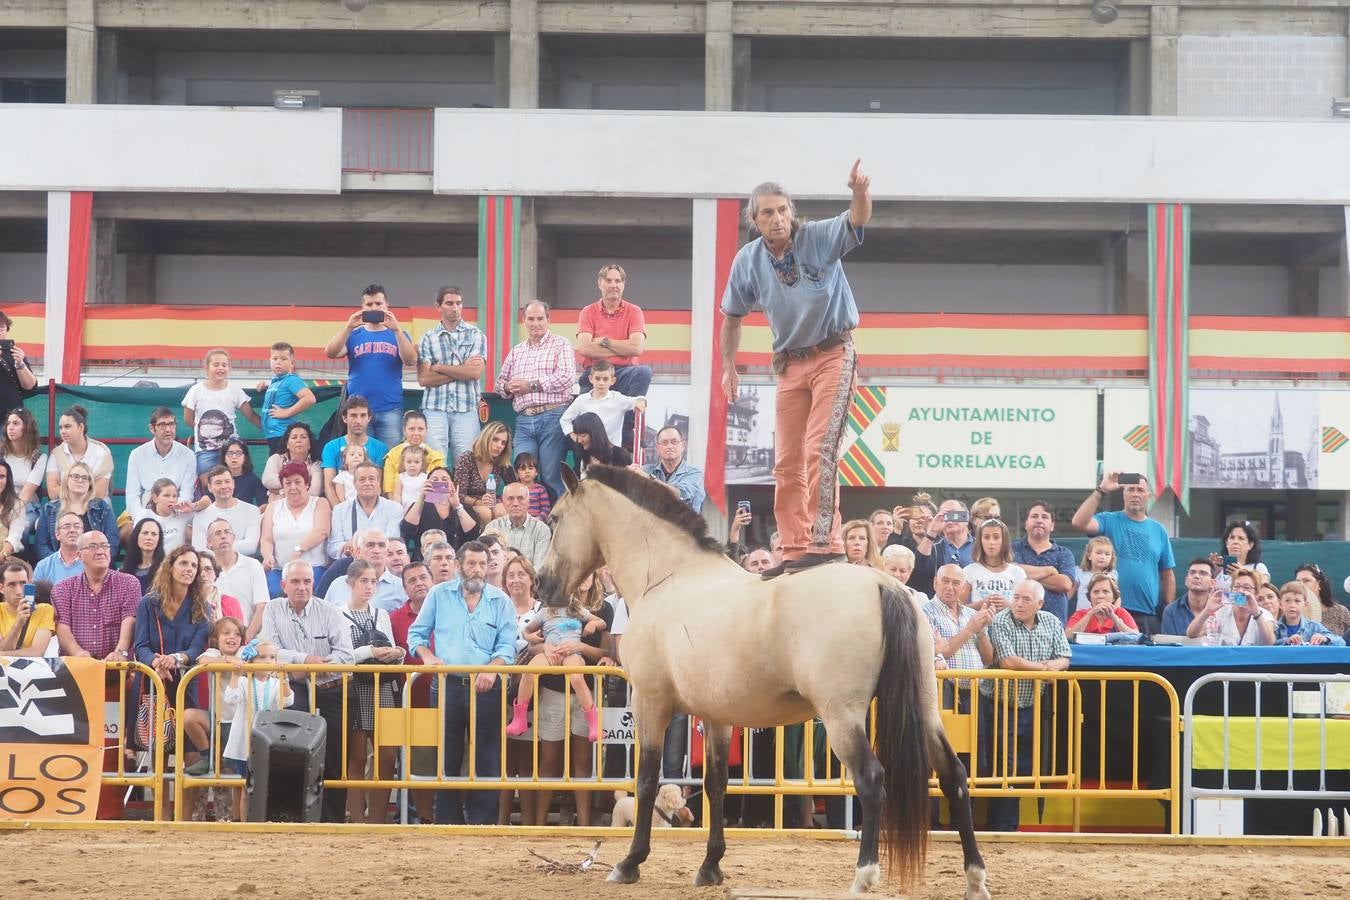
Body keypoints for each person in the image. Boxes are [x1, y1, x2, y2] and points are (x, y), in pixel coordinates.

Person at [720, 162, 871, 575]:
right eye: (767, 213)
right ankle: (793, 547)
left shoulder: (818, 237)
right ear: (754, 220)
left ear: (793, 212)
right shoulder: (748, 261)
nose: (777, 218)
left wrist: (859, 192)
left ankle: (825, 542)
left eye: (783, 210)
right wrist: (728, 366)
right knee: (785, 463)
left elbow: (857, 220)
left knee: (819, 449)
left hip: (834, 353)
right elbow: (732, 316)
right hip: (789, 365)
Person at [406, 541, 517, 825]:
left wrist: (493, 669)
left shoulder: (501, 600)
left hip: (488, 687)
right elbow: (416, 634)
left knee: (488, 756)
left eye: (482, 564)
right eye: (472, 564)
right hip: (447, 685)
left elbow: (507, 647)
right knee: (448, 755)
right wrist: (428, 657)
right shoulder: (438, 594)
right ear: (458, 565)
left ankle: (484, 823)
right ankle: (448, 822)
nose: (478, 570)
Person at [259, 559, 356, 823]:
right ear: (283, 584)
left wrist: (309, 666)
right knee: (291, 751)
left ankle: (332, 820)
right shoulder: (273, 609)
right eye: (295, 582)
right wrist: (305, 660)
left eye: (307, 581)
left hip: (332, 689)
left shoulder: (331, 611)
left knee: (335, 757)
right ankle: (290, 817)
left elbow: (347, 658)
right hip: (295, 688)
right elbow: (271, 649)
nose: (302, 587)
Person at [981, 579, 1072, 832]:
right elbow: (1008, 661)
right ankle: (1000, 826)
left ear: (1040, 604)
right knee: (1003, 766)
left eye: (1026, 599)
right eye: (1016, 597)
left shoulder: (1052, 622)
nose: (1019, 604)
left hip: (1033, 705)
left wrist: (1054, 665)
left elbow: (1064, 657)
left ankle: (1011, 824)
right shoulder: (1000, 621)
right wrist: (1045, 667)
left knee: (1023, 765)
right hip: (998, 704)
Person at [526, 570, 616, 826]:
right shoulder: (553, 605)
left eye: (588, 572)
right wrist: (545, 647)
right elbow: (533, 642)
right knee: (549, 758)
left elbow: (607, 651)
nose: (584, 577)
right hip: (554, 689)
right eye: (579, 573)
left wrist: (580, 647)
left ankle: (585, 824)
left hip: (585, 690)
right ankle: (541, 825)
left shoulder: (604, 609)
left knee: (583, 760)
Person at [1071, 471, 1176, 636]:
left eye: (1140, 490)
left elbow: (1168, 574)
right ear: (1123, 494)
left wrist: (1168, 609)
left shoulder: (1159, 530)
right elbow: (1078, 522)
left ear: (1149, 495)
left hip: (1146, 614)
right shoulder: (1108, 520)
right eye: (1130, 489)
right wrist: (1101, 490)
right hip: (1106, 613)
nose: (1135, 494)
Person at [133, 545, 212, 763]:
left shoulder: (203, 607)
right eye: (183, 563)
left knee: (190, 754)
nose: (189, 569)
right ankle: (162, 799)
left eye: (194, 565)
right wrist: (157, 663)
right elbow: (140, 646)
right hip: (155, 682)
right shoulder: (148, 603)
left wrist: (174, 659)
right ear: (170, 567)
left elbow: (197, 649)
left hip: (186, 682)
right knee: (160, 756)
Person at [340, 558, 405, 824]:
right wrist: (370, 652)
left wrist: (396, 653)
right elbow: (342, 656)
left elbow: (394, 650)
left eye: (373, 581)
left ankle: (377, 818)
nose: (368, 587)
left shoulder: (381, 615)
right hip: (356, 689)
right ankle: (357, 818)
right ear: (351, 583)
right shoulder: (338, 614)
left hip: (383, 689)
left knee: (386, 758)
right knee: (356, 757)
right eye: (363, 581)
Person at [498, 301, 577, 503]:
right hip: (524, 420)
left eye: (540, 318)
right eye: (531, 319)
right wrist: (508, 387)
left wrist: (531, 386)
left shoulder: (560, 344)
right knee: (523, 475)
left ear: (548, 320)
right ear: (524, 321)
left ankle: (557, 527)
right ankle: (526, 525)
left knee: (551, 476)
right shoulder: (517, 351)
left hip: (553, 415)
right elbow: (499, 384)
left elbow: (567, 377)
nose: (535, 323)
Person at [506, 585, 605, 743]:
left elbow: (601, 622)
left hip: (572, 652)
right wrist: (532, 638)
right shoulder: (545, 612)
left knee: (577, 678)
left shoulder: (577, 609)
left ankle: (594, 723)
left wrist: (592, 624)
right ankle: (520, 718)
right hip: (550, 652)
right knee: (528, 672)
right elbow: (527, 630)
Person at [324, 283, 416, 447]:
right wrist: (348, 327)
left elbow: (410, 360)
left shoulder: (399, 335)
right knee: (360, 460)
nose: (374, 308)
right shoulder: (354, 334)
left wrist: (397, 330)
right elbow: (331, 352)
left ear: (387, 305)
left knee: (389, 461)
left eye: (379, 304)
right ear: (362, 307)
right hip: (359, 412)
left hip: (390, 408)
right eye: (369, 304)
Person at [220, 637, 294, 820]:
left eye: (272, 657)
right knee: (247, 787)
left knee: (268, 786)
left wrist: (284, 678)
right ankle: (245, 823)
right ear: (251, 660)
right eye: (262, 657)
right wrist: (236, 675)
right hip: (246, 742)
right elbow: (231, 698)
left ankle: (268, 821)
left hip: (269, 740)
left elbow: (287, 701)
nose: (268, 661)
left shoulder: (276, 683)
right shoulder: (246, 682)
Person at [574, 264, 654, 433]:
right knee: (582, 424)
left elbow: (637, 348)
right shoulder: (587, 312)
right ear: (599, 283)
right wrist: (623, 347)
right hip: (595, 373)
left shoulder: (634, 311)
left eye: (618, 281)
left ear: (623, 285)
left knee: (644, 372)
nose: (614, 285)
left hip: (624, 374)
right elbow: (585, 349)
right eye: (609, 280)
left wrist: (605, 341)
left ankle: (627, 428)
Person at [416, 285, 486, 461]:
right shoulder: (428, 337)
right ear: (438, 306)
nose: (455, 308)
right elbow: (424, 378)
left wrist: (440, 367)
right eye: (449, 303)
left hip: (466, 407)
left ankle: (461, 491)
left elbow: (475, 373)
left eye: (458, 303)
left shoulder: (476, 334)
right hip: (434, 407)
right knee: (434, 461)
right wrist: (462, 368)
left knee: (466, 462)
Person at [498, 555, 542, 825]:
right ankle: (501, 822)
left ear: (531, 578)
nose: (516, 579)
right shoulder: (497, 607)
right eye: (510, 575)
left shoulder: (541, 610)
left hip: (532, 694)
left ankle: (526, 822)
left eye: (521, 574)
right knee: (504, 763)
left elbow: (547, 644)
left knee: (526, 763)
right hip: (498, 689)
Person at [52, 531, 141, 661]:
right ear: (79, 555)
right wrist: (78, 653)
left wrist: (120, 652)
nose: (100, 551)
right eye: (93, 547)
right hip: (77, 670)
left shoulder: (129, 583)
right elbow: (62, 627)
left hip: (118, 671)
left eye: (105, 546)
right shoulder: (63, 589)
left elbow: (130, 619)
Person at [183, 348, 262, 481]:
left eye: (224, 365)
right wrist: (206, 432)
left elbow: (251, 415)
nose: (221, 368)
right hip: (205, 449)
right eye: (216, 365)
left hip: (231, 448)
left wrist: (270, 430)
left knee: (235, 481)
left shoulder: (234, 390)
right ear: (206, 368)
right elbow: (188, 419)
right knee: (206, 482)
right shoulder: (195, 391)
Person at [260, 461, 332, 597]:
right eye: (288, 483)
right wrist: (267, 555)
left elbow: (322, 531)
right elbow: (266, 539)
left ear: (307, 484)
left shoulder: (319, 503)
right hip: (280, 570)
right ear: (282, 486)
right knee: (274, 594)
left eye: (298, 482)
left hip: (313, 568)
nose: (293, 487)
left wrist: (298, 549)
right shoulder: (273, 507)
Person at [123, 407, 197, 529]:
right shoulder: (137, 454)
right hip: (144, 508)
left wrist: (172, 512)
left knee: (191, 534)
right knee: (126, 533)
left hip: (176, 510)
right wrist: (142, 518)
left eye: (172, 424)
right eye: (162, 425)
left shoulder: (188, 455)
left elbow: (187, 494)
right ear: (152, 428)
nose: (168, 429)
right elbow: (132, 495)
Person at [35, 461, 119, 559]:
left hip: (93, 566)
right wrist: (60, 563)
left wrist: (90, 561)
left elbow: (112, 544)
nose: (80, 480)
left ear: (90, 483)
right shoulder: (50, 508)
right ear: (66, 480)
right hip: (58, 569)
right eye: (75, 476)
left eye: (85, 478)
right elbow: (41, 546)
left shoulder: (103, 508)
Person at [1011, 501, 1077, 626]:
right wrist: (1049, 570)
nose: (1039, 520)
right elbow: (1011, 573)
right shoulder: (1012, 549)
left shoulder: (1064, 554)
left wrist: (1025, 575)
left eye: (1045, 517)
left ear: (1052, 525)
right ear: (1026, 524)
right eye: (1034, 516)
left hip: (1053, 626)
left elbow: (1065, 583)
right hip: (1016, 626)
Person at [923, 564, 994, 676]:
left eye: (956, 583)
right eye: (945, 581)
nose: (950, 587)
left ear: (963, 588)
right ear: (935, 583)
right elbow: (932, 654)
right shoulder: (925, 612)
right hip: (944, 688)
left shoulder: (972, 614)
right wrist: (969, 630)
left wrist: (981, 632)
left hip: (976, 689)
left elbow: (989, 660)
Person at [560, 357, 647, 448]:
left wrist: (641, 401)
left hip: (612, 453)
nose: (601, 383)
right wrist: (574, 436)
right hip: (588, 453)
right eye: (597, 379)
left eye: (605, 379)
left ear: (612, 381)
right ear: (590, 379)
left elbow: (638, 399)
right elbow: (565, 419)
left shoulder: (618, 398)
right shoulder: (582, 400)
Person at [321, 396, 390, 506]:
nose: (358, 421)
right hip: (341, 508)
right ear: (345, 418)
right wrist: (340, 512)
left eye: (363, 415)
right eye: (353, 415)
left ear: (369, 418)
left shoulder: (380, 448)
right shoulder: (331, 447)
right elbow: (329, 486)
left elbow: (378, 485)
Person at [327, 461, 404, 560]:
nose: (367, 483)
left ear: (378, 482)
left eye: (372, 479)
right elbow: (333, 547)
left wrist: (356, 543)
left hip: (383, 562)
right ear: (354, 484)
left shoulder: (394, 508)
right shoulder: (339, 510)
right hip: (351, 564)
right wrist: (345, 548)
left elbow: (391, 541)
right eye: (362, 479)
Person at [1185, 568, 1276, 646]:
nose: (1240, 591)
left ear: (1256, 593)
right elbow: (1191, 634)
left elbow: (1269, 642)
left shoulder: (1264, 614)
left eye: (1246, 587)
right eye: (1236, 587)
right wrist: (1207, 610)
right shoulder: (1221, 611)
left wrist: (1256, 614)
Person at [324, 528, 407, 613]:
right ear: (358, 551)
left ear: (386, 551)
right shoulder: (338, 585)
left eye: (381, 545)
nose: (376, 551)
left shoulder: (401, 588)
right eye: (370, 545)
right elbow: (325, 619)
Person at [207, 518, 269, 630]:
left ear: (233, 538)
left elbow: (262, 607)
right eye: (217, 533)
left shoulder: (253, 565)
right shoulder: (206, 571)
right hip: (217, 636)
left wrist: (247, 638)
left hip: (250, 634)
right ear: (209, 542)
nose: (223, 536)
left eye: (227, 532)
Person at [402, 465, 480, 552]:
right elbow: (407, 529)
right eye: (435, 480)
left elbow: (473, 534)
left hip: (455, 560)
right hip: (425, 560)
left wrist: (457, 506)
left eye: (444, 480)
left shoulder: (464, 507)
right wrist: (421, 497)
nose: (440, 483)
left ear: (452, 484)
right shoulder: (420, 506)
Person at [258, 341, 316, 455]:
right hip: (272, 435)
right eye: (275, 359)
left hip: (282, 435)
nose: (278, 362)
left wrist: (286, 412)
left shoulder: (291, 380)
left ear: (292, 362)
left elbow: (310, 398)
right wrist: (266, 387)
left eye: (283, 359)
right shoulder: (276, 382)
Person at [46, 405, 113, 500]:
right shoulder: (57, 454)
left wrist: (68, 490)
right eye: (60, 428)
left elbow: (98, 494)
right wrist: (82, 489)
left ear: (81, 427)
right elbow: (52, 493)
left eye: (67, 427)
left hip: (96, 506)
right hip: (64, 506)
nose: (63, 431)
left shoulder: (102, 453)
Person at [190, 467, 261, 557]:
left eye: (227, 481)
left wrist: (214, 547)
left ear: (233, 484)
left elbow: (251, 546)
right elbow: (199, 552)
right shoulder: (200, 516)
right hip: (214, 568)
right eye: (218, 483)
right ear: (210, 487)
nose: (224, 486)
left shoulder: (252, 511)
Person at [483, 482, 551, 571]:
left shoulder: (542, 530)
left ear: (528, 503)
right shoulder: (493, 527)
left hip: (529, 581)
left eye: (520, 498)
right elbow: (485, 562)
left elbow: (539, 568)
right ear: (503, 503)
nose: (515, 503)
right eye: (510, 499)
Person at [962, 519, 1026, 612]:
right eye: (986, 537)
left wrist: (1008, 605)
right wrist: (980, 605)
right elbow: (957, 609)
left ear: (1004, 540)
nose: (991, 542)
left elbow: (1026, 609)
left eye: (996, 537)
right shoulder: (969, 571)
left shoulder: (1018, 573)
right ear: (980, 541)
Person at [640, 426, 705, 512]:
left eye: (674, 442)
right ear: (657, 448)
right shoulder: (646, 470)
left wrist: (649, 478)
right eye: (664, 442)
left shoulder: (694, 473)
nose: (669, 446)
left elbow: (680, 495)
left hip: (682, 524)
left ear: (683, 445)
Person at [382, 410, 445, 501]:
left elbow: (439, 495)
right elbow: (389, 491)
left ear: (426, 431)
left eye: (420, 429)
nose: (416, 433)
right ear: (404, 430)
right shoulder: (392, 455)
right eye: (411, 429)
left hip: (429, 508)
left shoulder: (437, 458)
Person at [2, 408, 47, 530]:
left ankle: (23, 550)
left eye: (16, 423)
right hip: (2, 504)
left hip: (27, 507)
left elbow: (25, 496)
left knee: (23, 527)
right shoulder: (1, 454)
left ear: (27, 428)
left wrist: (8, 516)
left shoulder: (38, 458)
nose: (10, 427)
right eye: (8, 423)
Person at [0, 560, 53, 656]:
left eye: (23, 583)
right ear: (1, 588)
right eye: (12, 585)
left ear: (30, 584)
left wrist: (3, 654)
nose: (19, 591)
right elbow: (2, 647)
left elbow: (37, 652)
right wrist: (18, 623)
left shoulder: (45, 610)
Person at [261, 422, 323, 501]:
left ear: (309, 445)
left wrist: (280, 491)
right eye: (294, 437)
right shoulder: (276, 459)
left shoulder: (316, 464)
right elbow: (267, 480)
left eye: (303, 437)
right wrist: (305, 482)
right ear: (287, 444)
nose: (298, 440)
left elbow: (315, 492)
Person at [1274, 582, 1346, 646]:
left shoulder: (1314, 626)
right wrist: (1287, 641)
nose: (1292, 605)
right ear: (1280, 604)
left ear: (1305, 605)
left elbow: (1341, 642)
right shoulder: (1275, 627)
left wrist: (1325, 638)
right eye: (1287, 600)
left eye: (1297, 601)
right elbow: (1268, 644)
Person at [1065, 574, 1139, 637]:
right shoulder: (1080, 614)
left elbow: (1136, 637)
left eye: (1105, 591)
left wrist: (1115, 619)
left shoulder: (1121, 613)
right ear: (1090, 597)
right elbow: (1067, 637)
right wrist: (1090, 614)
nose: (1100, 596)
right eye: (1096, 592)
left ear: (1114, 597)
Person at [1160, 558, 1218, 637]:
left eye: (1203, 573)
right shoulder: (1171, 611)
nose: (1196, 576)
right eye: (1192, 573)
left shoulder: (1220, 610)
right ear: (1186, 581)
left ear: (1213, 583)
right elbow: (1169, 645)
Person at [133, 478, 192, 552]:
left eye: (174, 496)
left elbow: (207, 504)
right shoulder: (144, 515)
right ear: (155, 498)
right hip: (153, 561)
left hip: (175, 562)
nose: (172, 500)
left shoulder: (182, 514)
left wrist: (193, 506)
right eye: (166, 495)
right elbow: (136, 544)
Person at [0, 310, 38, 425]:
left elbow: (30, 386)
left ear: (7, 329)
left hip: (11, 416)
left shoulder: (14, 353)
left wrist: (20, 364)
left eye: (2, 326)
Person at [568, 411, 632, 475]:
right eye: (577, 436)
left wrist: (600, 471)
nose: (579, 440)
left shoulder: (620, 455)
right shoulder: (583, 456)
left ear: (595, 434)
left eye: (583, 436)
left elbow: (624, 482)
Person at [34, 511, 85, 585]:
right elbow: (35, 595)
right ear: (57, 534)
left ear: (82, 533)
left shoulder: (91, 564)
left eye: (77, 526)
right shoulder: (43, 567)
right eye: (67, 526)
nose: (72, 530)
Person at [217, 438, 268, 508]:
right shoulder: (217, 478)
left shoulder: (252, 479)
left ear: (245, 458)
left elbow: (263, 502)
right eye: (230, 453)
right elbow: (209, 497)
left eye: (238, 453)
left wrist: (254, 514)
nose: (234, 457)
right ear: (224, 458)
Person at [196, 549, 244, 623]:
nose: (203, 574)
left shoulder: (230, 603)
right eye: (198, 570)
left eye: (208, 569)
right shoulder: (186, 602)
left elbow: (238, 633)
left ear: (215, 573)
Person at [1296, 564, 1346, 633]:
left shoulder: (1340, 611)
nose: (1300, 585)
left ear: (1319, 584)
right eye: (1298, 582)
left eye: (1306, 580)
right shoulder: (1291, 611)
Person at [120, 517, 165, 592]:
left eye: (154, 534)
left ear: (159, 539)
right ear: (136, 536)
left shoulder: (166, 570)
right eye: (145, 533)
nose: (149, 538)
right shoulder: (124, 571)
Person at [1074, 537, 1118, 613]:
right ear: (1089, 556)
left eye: (1107, 554)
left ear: (1112, 558)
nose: (1103, 557)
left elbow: (1117, 597)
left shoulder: (1112, 574)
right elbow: (1068, 594)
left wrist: (1114, 612)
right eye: (1098, 553)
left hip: (1104, 616)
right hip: (1083, 615)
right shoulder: (1080, 573)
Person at [0, 459, 27, 558]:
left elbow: (14, 536)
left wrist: (2, 555)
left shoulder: (17, 504)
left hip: (5, 557)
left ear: (8, 480)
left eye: (2, 477)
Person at [513, 452, 551, 521]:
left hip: (536, 522)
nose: (527, 471)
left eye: (530, 468)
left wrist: (538, 519)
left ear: (536, 472)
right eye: (523, 469)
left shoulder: (541, 489)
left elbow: (546, 509)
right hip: (517, 522)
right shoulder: (514, 489)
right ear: (517, 474)